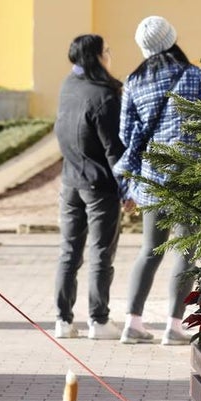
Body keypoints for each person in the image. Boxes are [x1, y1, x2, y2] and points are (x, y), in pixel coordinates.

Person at [114, 16, 201, 346]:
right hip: (188, 174)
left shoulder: (133, 80)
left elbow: (126, 134)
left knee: (149, 250)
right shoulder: (193, 75)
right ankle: (174, 325)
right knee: (186, 250)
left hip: (152, 178)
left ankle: (132, 323)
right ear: (172, 39)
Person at [53, 34, 126, 340]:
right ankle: (99, 321)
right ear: (96, 57)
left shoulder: (67, 87)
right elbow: (113, 149)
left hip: (70, 179)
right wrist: (127, 187)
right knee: (100, 253)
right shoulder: (105, 94)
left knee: (69, 252)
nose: (109, 55)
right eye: (106, 51)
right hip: (99, 185)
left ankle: (63, 320)